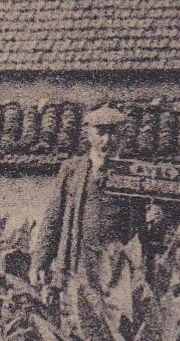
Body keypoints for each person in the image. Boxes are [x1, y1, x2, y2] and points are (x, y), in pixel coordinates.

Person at [37, 104, 127, 294]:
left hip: (115, 267)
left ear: (122, 136)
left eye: (114, 133)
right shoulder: (71, 170)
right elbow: (54, 217)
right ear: (88, 134)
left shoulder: (136, 176)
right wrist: (41, 260)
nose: (107, 140)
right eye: (101, 133)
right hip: (76, 261)